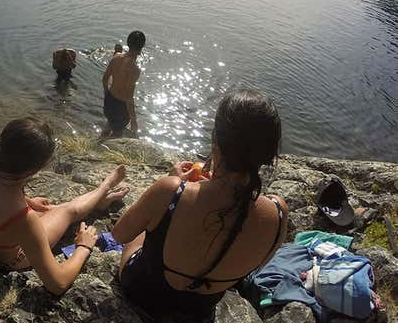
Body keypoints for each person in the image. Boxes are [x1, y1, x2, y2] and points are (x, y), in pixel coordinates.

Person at [113, 90, 289, 322]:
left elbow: (119, 234)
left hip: (143, 294)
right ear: (267, 152)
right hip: (199, 310)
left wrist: (171, 187)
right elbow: (255, 262)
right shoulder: (278, 212)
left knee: (147, 228)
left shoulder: (171, 192)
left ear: (216, 139)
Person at [0, 117, 130, 294]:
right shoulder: (24, 219)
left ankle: (98, 200)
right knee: (67, 210)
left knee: (49, 210)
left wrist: (28, 201)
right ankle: (104, 187)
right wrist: (83, 247)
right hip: (10, 258)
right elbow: (58, 283)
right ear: (35, 169)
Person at [102, 30, 145, 137]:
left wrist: (107, 94)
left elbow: (105, 79)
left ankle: (99, 141)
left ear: (128, 43)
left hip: (109, 100)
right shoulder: (135, 70)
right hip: (121, 108)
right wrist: (134, 120)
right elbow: (129, 98)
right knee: (117, 134)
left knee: (109, 123)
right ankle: (106, 150)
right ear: (141, 47)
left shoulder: (116, 57)